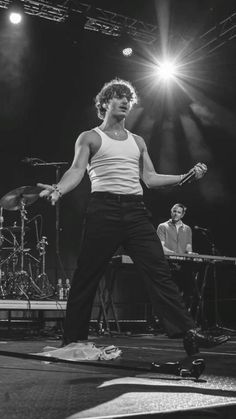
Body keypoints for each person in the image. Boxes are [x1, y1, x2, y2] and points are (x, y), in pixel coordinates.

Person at [37, 78, 228, 356]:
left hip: (135, 211)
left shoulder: (137, 141)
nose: (126, 101)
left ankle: (189, 333)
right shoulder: (89, 137)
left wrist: (184, 176)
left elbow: (149, 178)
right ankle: (73, 339)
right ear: (104, 103)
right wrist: (59, 189)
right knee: (87, 275)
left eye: (128, 97)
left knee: (159, 271)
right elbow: (76, 171)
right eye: (118, 97)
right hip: (103, 209)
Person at [157, 203, 196, 311]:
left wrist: (190, 253)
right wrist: (175, 254)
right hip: (168, 264)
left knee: (187, 290)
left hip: (182, 265)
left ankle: (183, 315)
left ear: (182, 215)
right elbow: (161, 247)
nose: (175, 214)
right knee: (169, 292)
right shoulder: (163, 226)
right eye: (174, 211)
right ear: (171, 212)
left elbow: (188, 247)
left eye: (178, 212)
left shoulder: (187, 229)